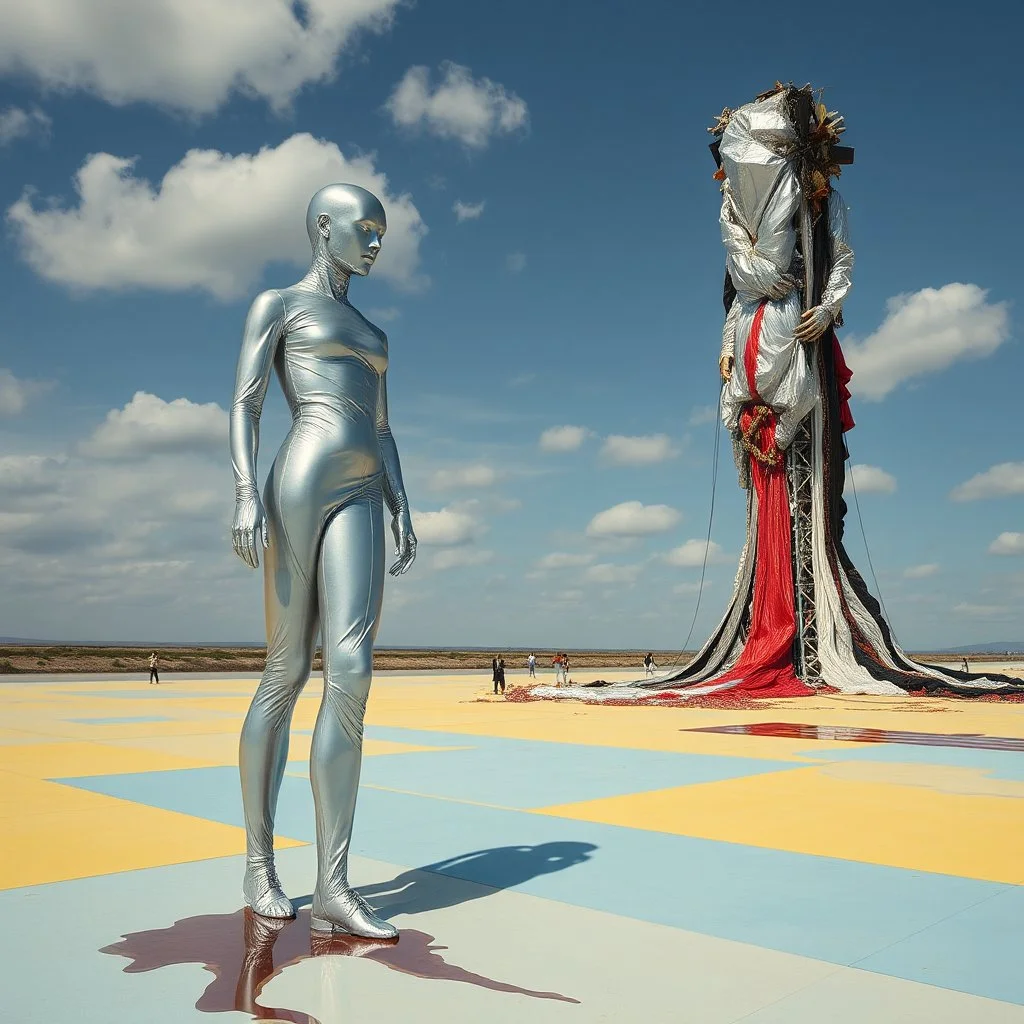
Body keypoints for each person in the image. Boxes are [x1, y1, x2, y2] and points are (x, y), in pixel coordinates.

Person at [230, 183, 417, 941]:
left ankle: (334, 884)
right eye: (363, 228)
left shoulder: (374, 329)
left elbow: (382, 424)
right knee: (285, 670)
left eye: (382, 229)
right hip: (300, 479)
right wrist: (245, 491)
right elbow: (246, 403)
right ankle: (258, 863)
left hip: (365, 485)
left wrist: (404, 500)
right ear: (323, 229)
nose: (375, 241)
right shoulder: (278, 304)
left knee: (354, 669)